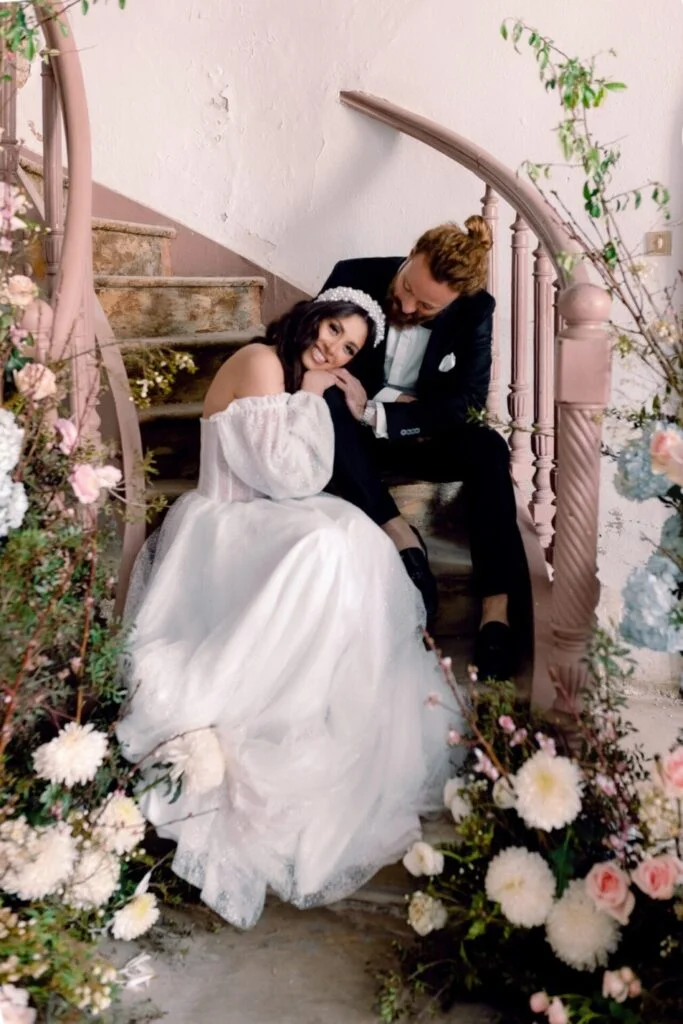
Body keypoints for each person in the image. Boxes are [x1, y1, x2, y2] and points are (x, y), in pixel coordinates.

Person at [117, 291, 460, 931]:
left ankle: (326, 703)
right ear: (310, 317)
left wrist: (317, 397)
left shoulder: (296, 376)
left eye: (349, 349)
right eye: (332, 330)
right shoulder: (262, 362)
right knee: (322, 545)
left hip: (263, 510)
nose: (333, 350)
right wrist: (313, 397)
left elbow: (306, 474)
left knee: (354, 537)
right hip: (224, 520)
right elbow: (285, 476)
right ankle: (278, 710)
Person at [317, 218, 528, 682]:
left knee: (489, 447)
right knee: (328, 404)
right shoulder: (352, 275)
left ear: (454, 301)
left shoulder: (475, 309)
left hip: (416, 437)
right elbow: (310, 355)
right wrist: (392, 407)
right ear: (412, 253)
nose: (408, 305)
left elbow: (467, 403)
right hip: (347, 441)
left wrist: (380, 412)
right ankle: (400, 533)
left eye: (427, 306)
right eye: (408, 287)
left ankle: (496, 612)